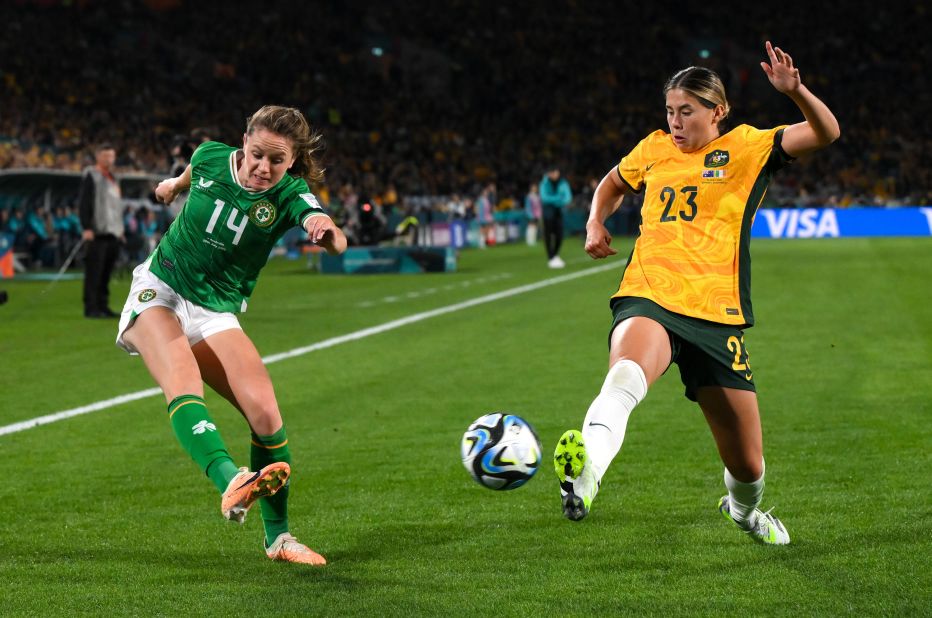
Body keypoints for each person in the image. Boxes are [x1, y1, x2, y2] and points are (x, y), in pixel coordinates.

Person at [553, 42, 839, 545]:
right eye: (670, 111)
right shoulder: (654, 148)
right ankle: (586, 473)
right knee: (625, 376)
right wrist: (596, 219)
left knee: (748, 465)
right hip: (650, 292)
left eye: (687, 111)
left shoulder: (749, 147)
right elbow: (613, 182)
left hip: (715, 314)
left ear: (718, 111)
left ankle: (745, 513)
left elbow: (825, 133)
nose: (676, 121)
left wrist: (796, 92)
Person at [115, 105, 347, 565]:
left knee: (265, 411)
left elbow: (334, 238)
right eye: (258, 154)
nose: (264, 168)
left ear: (292, 162)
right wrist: (170, 186)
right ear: (244, 142)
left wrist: (326, 231)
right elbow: (185, 177)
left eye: (277, 161)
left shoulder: (291, 195)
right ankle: (230, 481)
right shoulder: (209, 158)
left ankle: (279, 540)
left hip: (215, 309)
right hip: (160, 288)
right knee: (181, 377)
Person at [78, 143, 124, 318]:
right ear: (98, 156)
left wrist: (121, 230)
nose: (109, 159)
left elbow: (116, 206)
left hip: (113, 232)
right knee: (94, 272)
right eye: (105, 156)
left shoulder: (114, 178)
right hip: (97, 232)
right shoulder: (91, 175)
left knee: (106, 272)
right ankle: (91, 307)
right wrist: (86, 227)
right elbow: (84, 203)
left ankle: (103, 305)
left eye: (111, 156)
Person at [539, 164, 572, 268]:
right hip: (548, 213)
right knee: (548, 235)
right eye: (552, 172)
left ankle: (554, 255)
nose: (554, 174)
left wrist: (555, 201)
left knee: (559, 235)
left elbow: (568, 198)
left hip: (558, 212)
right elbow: (544, 198)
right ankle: (551, 257)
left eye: (555, 172)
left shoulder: (563, 183)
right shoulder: (544, 183)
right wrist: (558, 198)